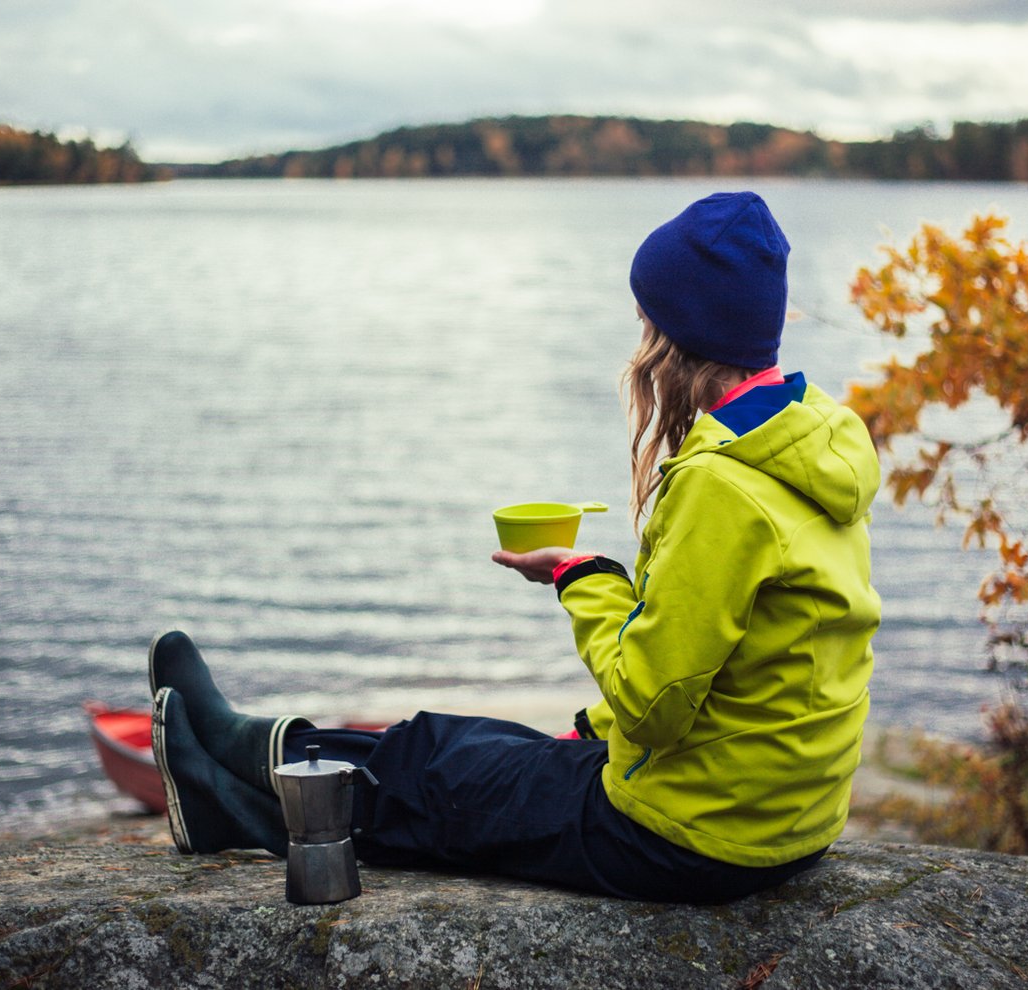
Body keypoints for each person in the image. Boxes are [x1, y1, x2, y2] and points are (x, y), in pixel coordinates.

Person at [150, 190, 881, 904]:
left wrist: (581, 577)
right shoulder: (807, 444)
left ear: (674, 335)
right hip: (778, 818)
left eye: (646, 320)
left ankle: (235, 782)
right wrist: (591, 726)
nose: (641, 340)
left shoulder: (725, 486)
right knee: (465, 741)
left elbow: (654, 705)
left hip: (688, 837)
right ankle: (241, 763)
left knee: (435, 777)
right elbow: (743, 660)